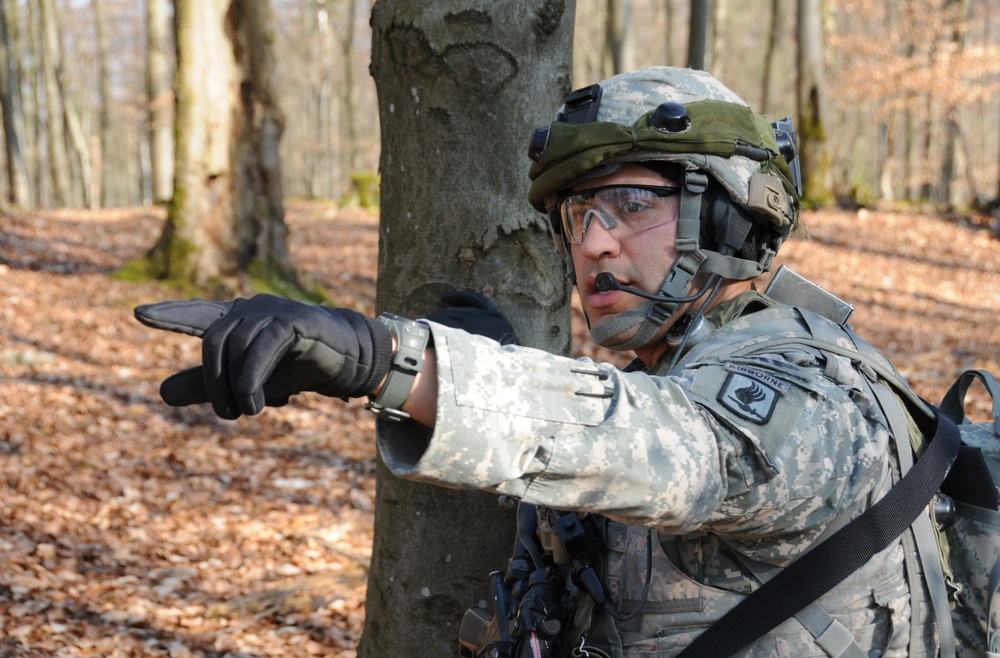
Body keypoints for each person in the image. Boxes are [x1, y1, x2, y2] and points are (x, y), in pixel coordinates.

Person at [135, 67, 950, 657]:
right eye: (578, 214)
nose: (593, 240)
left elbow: (676, 447)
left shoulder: (816, 392)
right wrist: (505, 364)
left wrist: (388, 362)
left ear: (729, 214)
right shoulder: (692, 367)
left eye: (632, 204)